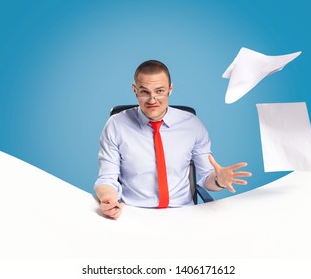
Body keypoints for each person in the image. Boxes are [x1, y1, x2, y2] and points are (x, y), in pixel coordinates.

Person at [94, 60, 251, 219]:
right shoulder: (116, 125)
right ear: (135, 90)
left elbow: (206, 179)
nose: (152, 99)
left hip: (183, 214)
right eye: (144, 92)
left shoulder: (192, 125)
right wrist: (108, 199)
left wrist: (219, 180)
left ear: (170, 89)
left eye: (159, 91)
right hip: (134, 212)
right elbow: (107, 178)